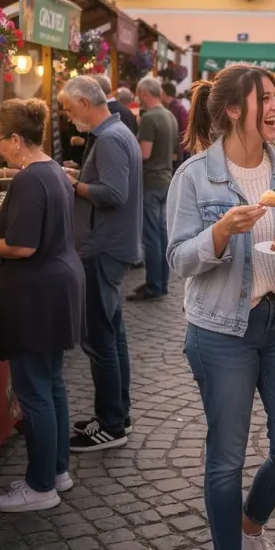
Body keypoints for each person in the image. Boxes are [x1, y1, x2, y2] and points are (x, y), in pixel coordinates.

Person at [167, 65, 275, 550]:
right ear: (234, 110)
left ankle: (251, 527)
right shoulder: (195, 176)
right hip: (220, 329)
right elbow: (177, 259)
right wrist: (221, 232)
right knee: (226, 458)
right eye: (267, 99)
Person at [0, 100, 84, 513]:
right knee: (51, 384)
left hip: (36, 293)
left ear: (16, 139)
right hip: (56, 286)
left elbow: (21, 246)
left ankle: (41, 486)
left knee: (34, 391)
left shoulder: (31, 179)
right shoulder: (52, 171)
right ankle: (57, 471)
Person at [59, 76, 142, 452]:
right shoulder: (116, 132)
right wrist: (80, 177)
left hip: (102, 247)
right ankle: (116, 415)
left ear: (83, 102)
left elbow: (113, 194)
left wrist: (73, 185)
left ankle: (111, 424)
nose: (66, 115)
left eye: (67, 107)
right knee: (112, 334)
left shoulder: (109, 138)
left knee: (99, 339)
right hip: (111, 244)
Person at [130, 76, 177, 301]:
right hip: (166, 179)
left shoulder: (149, 118)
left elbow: (144, 153)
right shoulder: (169, 115)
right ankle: (162, 282)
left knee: (151, 237)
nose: (138, 98)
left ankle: (153, 284)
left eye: (139, 94)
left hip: (151, 181)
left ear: (145, 94)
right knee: (161, 235)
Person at [162, 81, 190, 170]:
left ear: (163, 93)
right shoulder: (173, 107)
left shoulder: (177, 108)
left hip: (176, 151)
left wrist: (177, 151)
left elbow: (184, 130)